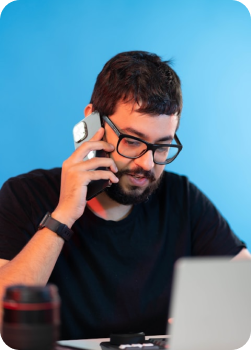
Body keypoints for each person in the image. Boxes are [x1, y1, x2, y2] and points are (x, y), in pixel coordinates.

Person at [0, 51, 250, 340]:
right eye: (131, 141)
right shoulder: (25, 195)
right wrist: (64, 215)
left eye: (162, 146)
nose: (146, 164)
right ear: (92, 123)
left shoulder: (181, 197)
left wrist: (215, 315)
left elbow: (245, 287)